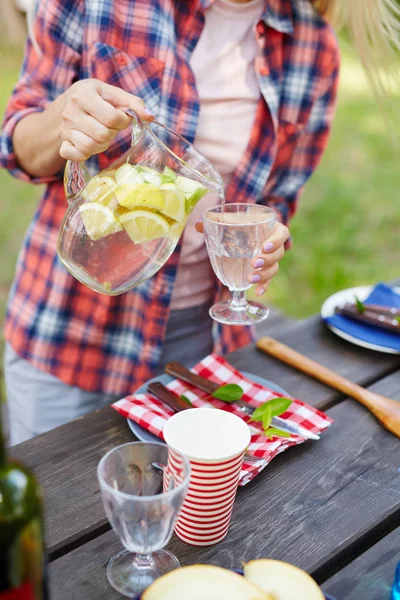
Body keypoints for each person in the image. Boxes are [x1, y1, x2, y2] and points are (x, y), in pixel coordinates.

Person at [0, 0, 397, 445]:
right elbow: (19, 149)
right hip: (69, 331)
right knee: (58, 508)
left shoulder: (311, 45)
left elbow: (277, 199)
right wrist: (64, 119)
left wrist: (265, 237)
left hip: (200, 341)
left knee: (184, 507)